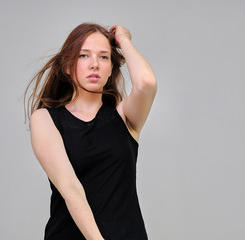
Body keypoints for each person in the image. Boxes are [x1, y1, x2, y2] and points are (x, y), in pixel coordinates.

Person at [25, 23, 157, 240]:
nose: (95, 64)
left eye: (104, 57)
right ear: (68, 66)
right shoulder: (46, 119)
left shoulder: (125, 117)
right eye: (84, 56)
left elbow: (146, 82)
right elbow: (70, 188)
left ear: (112, 68)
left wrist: (123, 40)